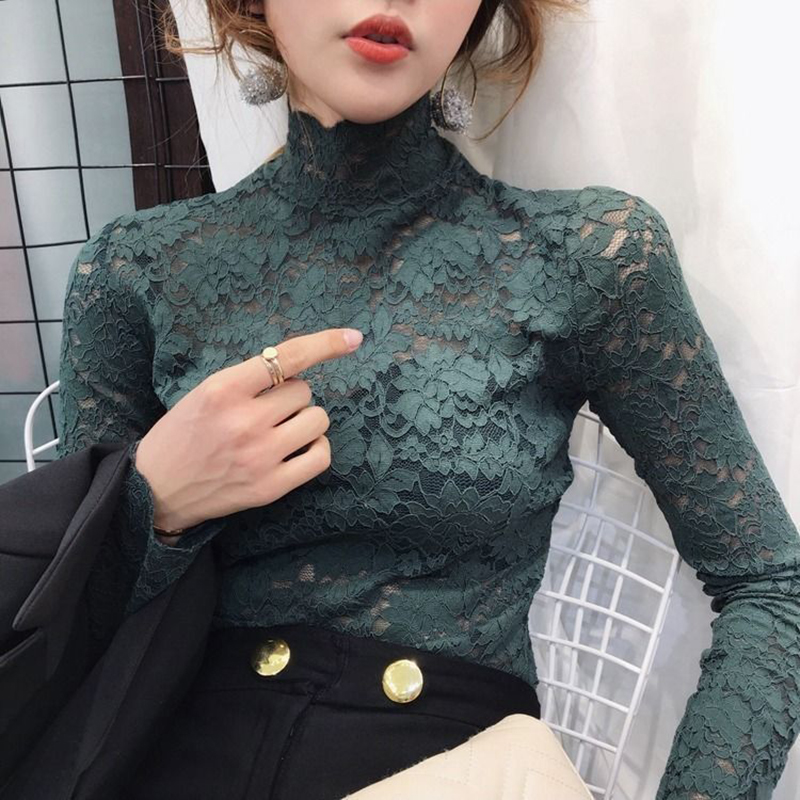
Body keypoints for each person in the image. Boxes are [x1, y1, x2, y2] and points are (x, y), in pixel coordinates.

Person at [51, 1, 800, 798]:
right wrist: (156, 502)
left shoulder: (582, 257)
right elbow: (68, 637)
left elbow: (770, 584)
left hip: (453, 770)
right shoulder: (137, 271)